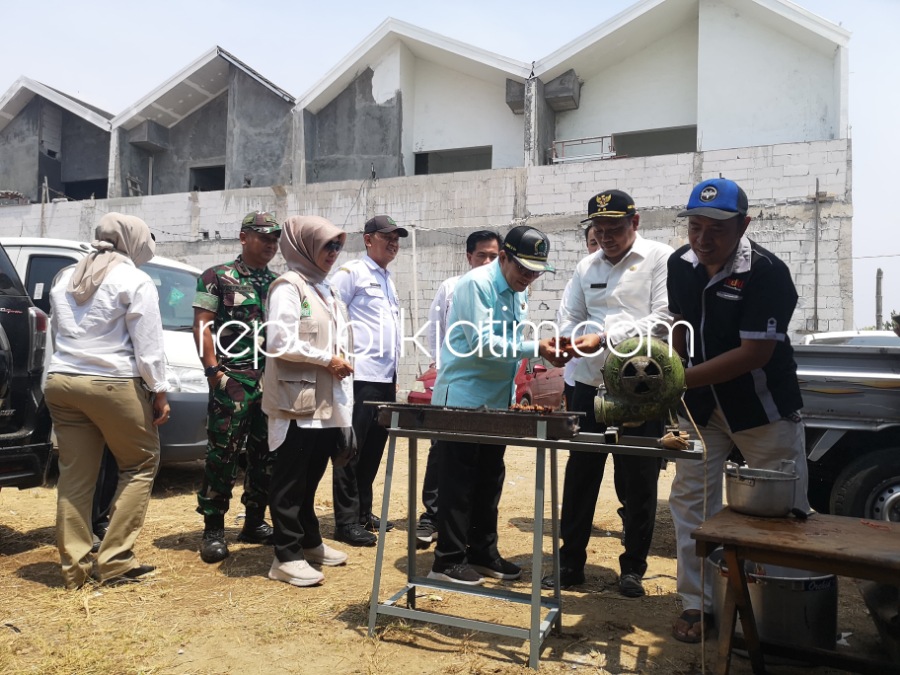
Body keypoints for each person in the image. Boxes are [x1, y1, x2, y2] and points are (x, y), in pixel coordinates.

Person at [667, 177, 811, 642]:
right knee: (691, 501)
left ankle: (778, 606)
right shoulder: (680, 264)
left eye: (717, 229)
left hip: (762, 409)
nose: (703, 239)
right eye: (695, 226)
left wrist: (677, 379)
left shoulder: (767, 272)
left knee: (779, 511)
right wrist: (669, 368)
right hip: (703, 407)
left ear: (744, 225)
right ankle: (698, 603)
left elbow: (755, 354)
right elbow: (681, 329)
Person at [546, 190, 674, 598]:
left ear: (635, 223)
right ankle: (571, 562)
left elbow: (664, 318)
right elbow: (571, 316)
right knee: (581, 474)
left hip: (639, 386)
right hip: (587, 384)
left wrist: (605, 337)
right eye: (599, 230)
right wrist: (572, 341)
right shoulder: (586, 266)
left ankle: (633, 565)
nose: (606, 237)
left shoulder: (659, 258)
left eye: (615, 229)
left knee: (638, 477)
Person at [428, 225, 560, 585]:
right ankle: (447, 560)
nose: (529, 278)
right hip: (463, 398)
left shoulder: (518, 291)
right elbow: (483, 344)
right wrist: (538, 349)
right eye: (523, 269)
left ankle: (482, 551)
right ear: (503, 257)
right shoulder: (476, 284)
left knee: (489, 479)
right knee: (458, 482)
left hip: (495, 400)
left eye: (535, 272)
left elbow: (510, 341)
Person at [45, 213, 170, 588]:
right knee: (141, 463)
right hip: (113, 383)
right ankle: (115, 561)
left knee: (75, 479)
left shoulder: (65, 277)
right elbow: (148, 347)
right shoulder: (135, 279)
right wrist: (160, 390)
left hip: (62, 382)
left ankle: (74, 570)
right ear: (131, 238)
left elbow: (55, 335)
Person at [263, 215, 354, 587]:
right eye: (326, 245)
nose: (333, 253)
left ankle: (310, 542)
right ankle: (284, 557)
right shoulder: (288, 287)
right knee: (289, 480)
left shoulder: (325, 289)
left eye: (337, 246)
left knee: (311, 477)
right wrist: (325, 360)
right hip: (295, 401)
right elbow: (278, 342)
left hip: (325, 401)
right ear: (303, 246)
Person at [192, 211, 281, 563]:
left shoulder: (280, 284)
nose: (270, 244)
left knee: (266, 457)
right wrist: (215, 373)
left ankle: (255, 522)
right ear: (244, 238)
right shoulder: (216, 277)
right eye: (263, 237)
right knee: (223, 455)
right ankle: (213, 528)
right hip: (233, 381)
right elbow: (201, 327)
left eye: (275, 239)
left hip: (271, 383)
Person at [416, 230, 502, 548]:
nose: (488, 261)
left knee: (481, 455)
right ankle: (432, 516)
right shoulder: (453, 287)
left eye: (494, 256)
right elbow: (436, 328)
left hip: (487, 389)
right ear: (469, 257)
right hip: (454, 383)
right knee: (443, 450)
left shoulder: (505, 291)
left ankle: (468, 526)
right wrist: (440, 367)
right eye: (482, 255)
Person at [329, 215, 408, 547]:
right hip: (360, 377)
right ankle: (345, 520)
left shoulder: (387, 278)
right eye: (386, 237)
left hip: (385, 377)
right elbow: (330, 309)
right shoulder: (352, 273)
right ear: (367, 239)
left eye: (396, 238)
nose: (393, 242)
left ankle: (362, 511)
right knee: (351, 448)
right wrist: (337, 354)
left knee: (374, 447)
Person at [559, 225, 600, 410]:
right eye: (593, 243)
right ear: (587, 246)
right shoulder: (577, 280)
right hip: (579, 378)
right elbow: (567, 322)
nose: (598, 248)